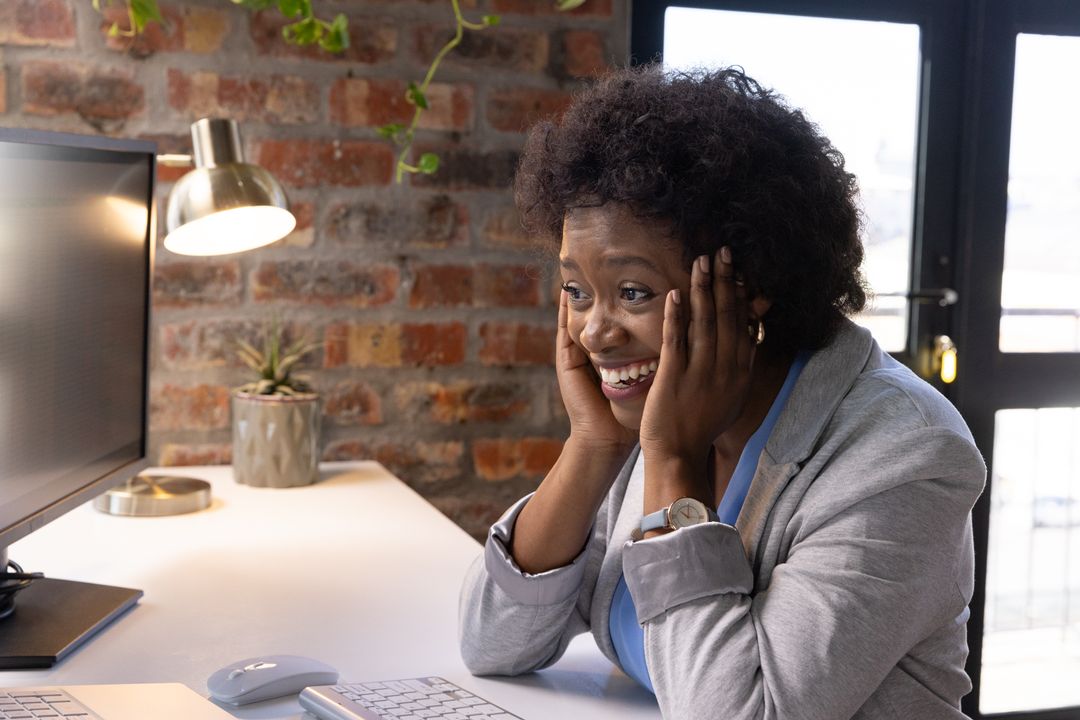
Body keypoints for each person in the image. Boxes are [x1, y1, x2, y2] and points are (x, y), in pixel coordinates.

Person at [457, 65, 985, 720]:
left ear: (749, 285)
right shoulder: (643, 417)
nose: (594, 330)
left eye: (632, 292)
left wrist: (674, 462)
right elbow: (492, 644)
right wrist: (594, 446)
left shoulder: (905, 457)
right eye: (576, 291)